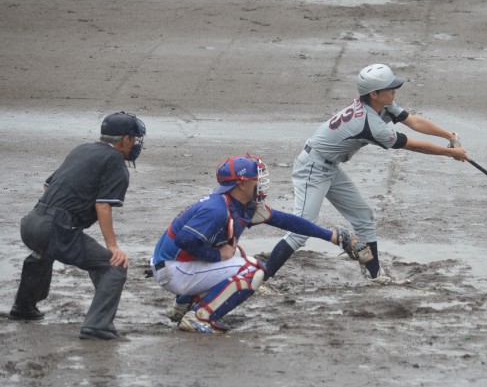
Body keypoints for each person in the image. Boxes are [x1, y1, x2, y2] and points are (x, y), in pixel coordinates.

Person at [265, 63, 469, 285]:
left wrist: (449, 136)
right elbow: (412, 145)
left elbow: (413, 121)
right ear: (374, 94)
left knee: (363, 217)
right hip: (312, 169)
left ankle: (374, 274)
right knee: (301, 230)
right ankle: (260, 280)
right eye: (390, 88)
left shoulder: (382, 105)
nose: (394, 91)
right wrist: (451, 154)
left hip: (330, 167)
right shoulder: (370, 124)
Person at [150, 154, 359, 334]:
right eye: (255, 178)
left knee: (236, 254)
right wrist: (218, 256)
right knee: (253, 270)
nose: (260, 181)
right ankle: (199, 316)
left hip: (176, 266)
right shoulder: (217, 209)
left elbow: (287, 221)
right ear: (241, 183)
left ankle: (183, 305)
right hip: (171, 270)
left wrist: (330, 235)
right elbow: (184, 240)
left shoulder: (240, 205)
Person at [8, 111, 146, 340]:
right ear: (124, 139)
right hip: (55, 228)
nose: (135, 144)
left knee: (43, 251)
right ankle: (97, 326)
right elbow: (103, 205)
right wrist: (113, 246)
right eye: (134, 138)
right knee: (114, 266)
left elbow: (47, 186)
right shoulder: (115, 162)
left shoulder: (82, 149)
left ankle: (23, 307)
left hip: (31, 223)